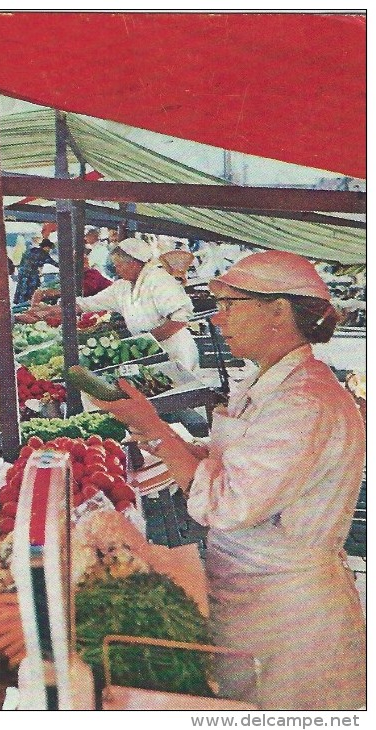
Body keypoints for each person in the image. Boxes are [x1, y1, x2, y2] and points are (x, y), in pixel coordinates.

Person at [93, 250, 365, 710]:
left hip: (287, 610)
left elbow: (226, 502)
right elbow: (232, 465)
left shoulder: (304, 402)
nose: (218, 320)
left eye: (230, 305)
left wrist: (155, 428)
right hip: (248, 584)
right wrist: (160, 437)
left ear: (278, 310)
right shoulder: (271, 382)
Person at [47, 237, 198, 370]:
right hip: (150, 353)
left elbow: (180, 318)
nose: (117, 271)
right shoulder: (122, 287)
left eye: (118, 265)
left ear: (133, 263)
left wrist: (145, 340)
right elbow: (87, 304)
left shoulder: (158, 279)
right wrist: (47, 312)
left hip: (176, 352)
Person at [13, 232, 58, 304]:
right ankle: (26, 305)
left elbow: (23, 260)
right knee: (31, 291)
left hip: (22, 273)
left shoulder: (31, 250)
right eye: (49, 248)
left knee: (21, 289)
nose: (49, 250)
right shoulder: (43, 254)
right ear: (46, 247)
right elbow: (54, 263)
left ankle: (18, 303)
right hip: (31, 275)